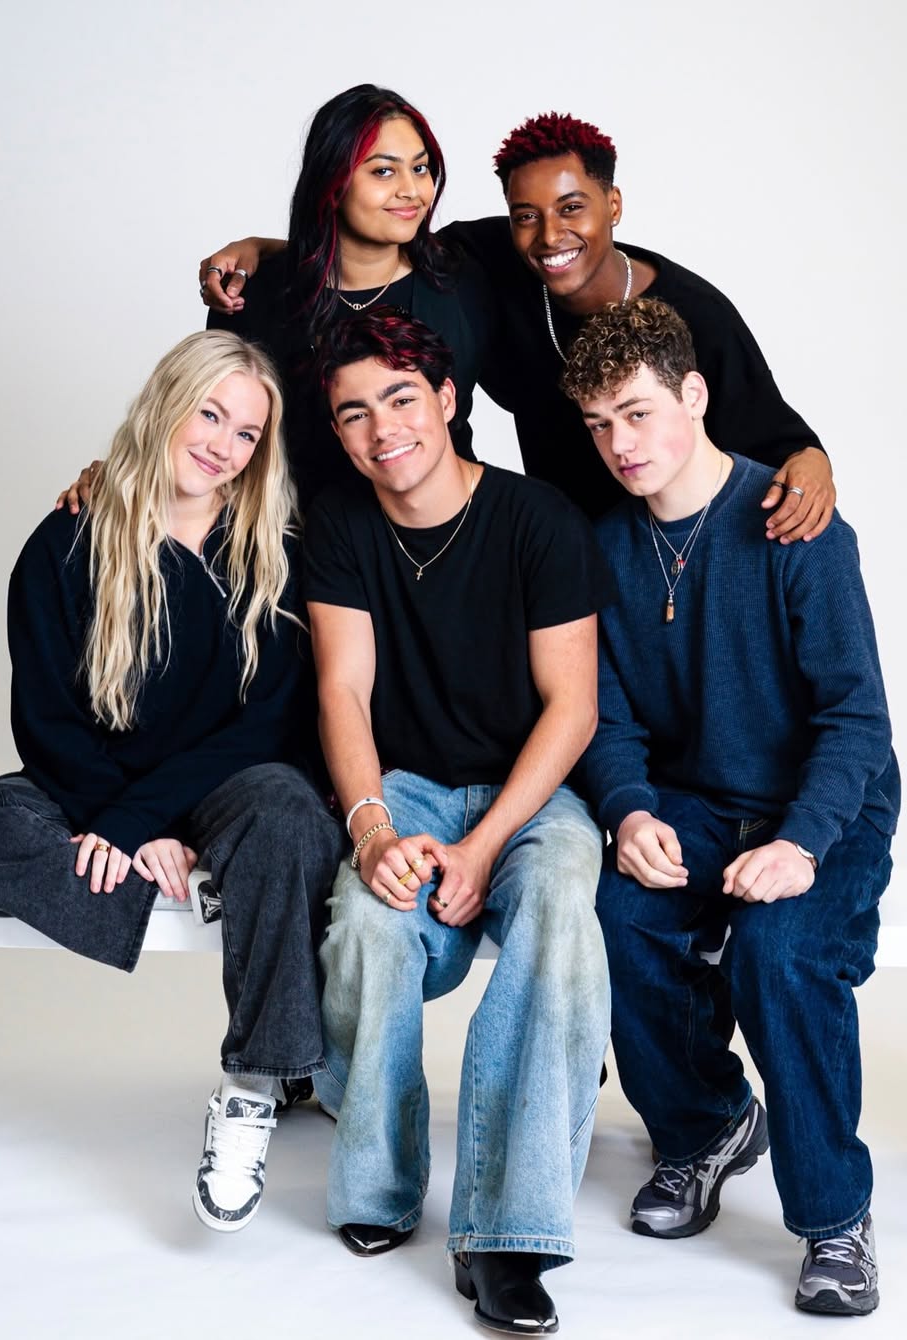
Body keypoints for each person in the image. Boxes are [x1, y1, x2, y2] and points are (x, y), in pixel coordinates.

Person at [0, 330, 344, 1234]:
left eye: (247, 433)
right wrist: (130, 826)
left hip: (228, 786)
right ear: (165, 403)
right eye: (209, 414)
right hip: (93, 793)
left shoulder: (275, 549)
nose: (223, 445)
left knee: (291, 817)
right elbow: (48, 723)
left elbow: (267, 725)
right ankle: (230, 894)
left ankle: (254, 1085)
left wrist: (142, 820)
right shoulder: (66, 542)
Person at [565, 297, 899, 1316]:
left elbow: (857, 719)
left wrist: (802, 843)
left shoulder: (795, 525)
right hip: (697, 800)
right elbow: (607, 717)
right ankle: (706, 1126)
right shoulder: (604, 548)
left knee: (777, 951)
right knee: (618, 912)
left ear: (695, 395)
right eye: (598, 424)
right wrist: (629, 811)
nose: (620, 444)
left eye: (637, 413)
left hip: (825, 805)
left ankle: (835, 1217)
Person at [305, 309, 612, 1336]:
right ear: (338, 432)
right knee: (365, 918)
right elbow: (344, 691)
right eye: (354, 412)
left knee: (561, 904)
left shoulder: (538, 519)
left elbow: (573, 707)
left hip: (529, 792)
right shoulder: (341, 525)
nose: (380, 427)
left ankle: (508, 1236)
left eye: (400, 397)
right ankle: (379, 1185)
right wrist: (372, 829)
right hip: (404, 788)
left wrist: (483, 847)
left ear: (446, 399)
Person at [202, 109, 834, 539]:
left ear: (613, 205)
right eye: (527, 215)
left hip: (661, 541)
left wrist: (811, 460)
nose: (551, 235)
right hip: (552, 538)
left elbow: (770, 430)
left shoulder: (691, 311)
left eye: (573, 208)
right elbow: (363, 248)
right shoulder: (489, 261)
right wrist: (262, 250)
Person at [202, 83, 493, 512]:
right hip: (298, 533)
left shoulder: (464, 279)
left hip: (445, 530)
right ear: (332, 182)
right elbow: (215, 433)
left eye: (420, 168)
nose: (412, 190)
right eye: (383, 171)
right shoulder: (256, 297)